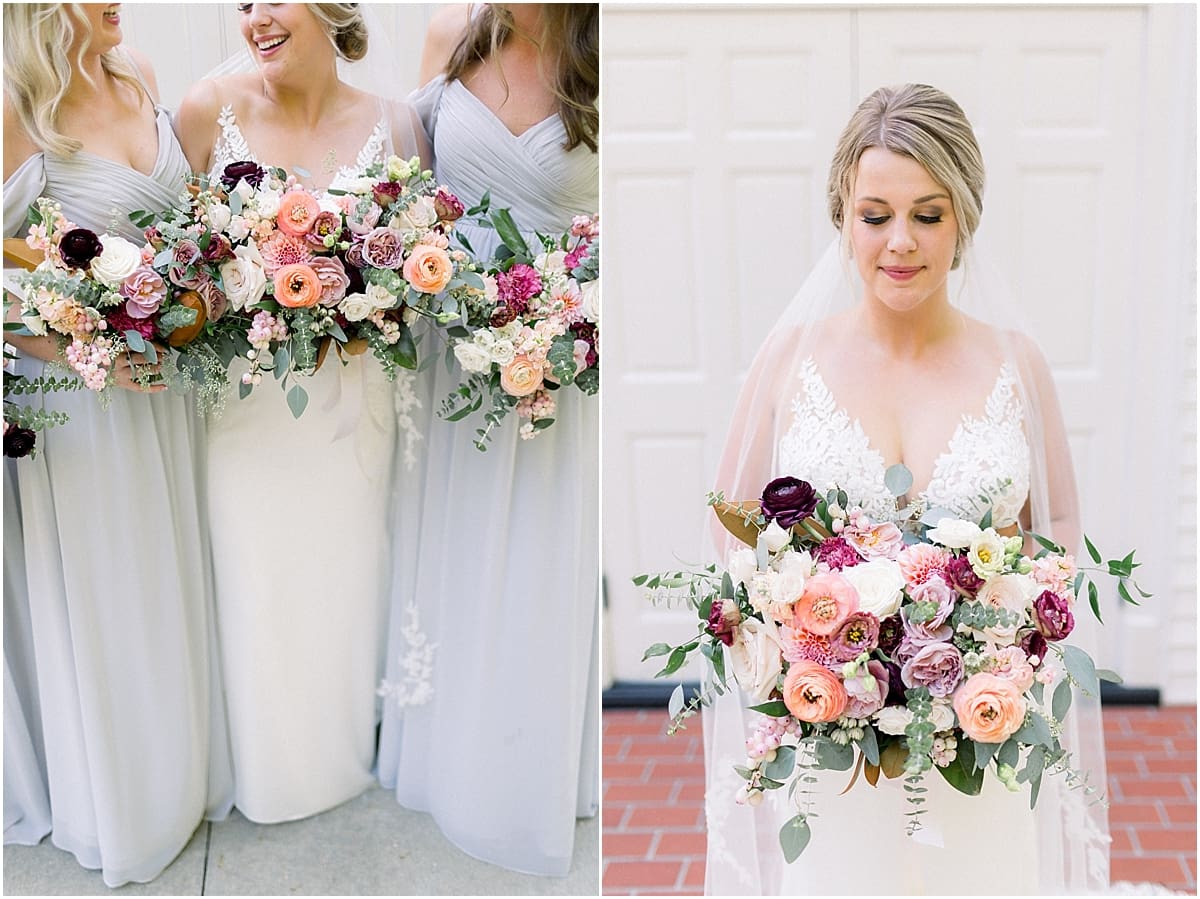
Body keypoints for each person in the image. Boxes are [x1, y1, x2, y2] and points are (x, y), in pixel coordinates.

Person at [704, 84, 1110, 894]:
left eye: (928, 214)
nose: (900, 242)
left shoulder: (1016, 363)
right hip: (831, 739)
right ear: (842, 218)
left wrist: (1005, 646)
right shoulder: (788, 358)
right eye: (874, 213)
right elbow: (732, 527)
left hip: (978, 736)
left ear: (963, 218)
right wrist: (796, 644)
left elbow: (1056, 526)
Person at [174, 2, 426, 824]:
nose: (254, 19)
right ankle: (270, 769)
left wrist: (369, 310)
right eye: (241, 6)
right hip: (248, 409)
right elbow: (183, 270)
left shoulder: (398, 123)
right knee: (256, 573)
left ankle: (346, 752)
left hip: (358, 405)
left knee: (348, 570)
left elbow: (426, 275)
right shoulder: (207, 111)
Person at [2, 3, 232, 886]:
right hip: (82, 404)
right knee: (109, 591)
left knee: (171, 572)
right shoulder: (17, 104)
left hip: (167, 389)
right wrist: (82, 347)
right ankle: (125, 798)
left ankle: (180, 770)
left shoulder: (133, 71)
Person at [376, 2, 599, 877]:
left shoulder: (603, 45)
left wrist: (572, 320)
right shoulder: (452, 37)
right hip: (455, 356)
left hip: (564, 360)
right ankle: (451, 751)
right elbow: (415, 206)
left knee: (541, 550)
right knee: (459, 545)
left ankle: (530, 760)